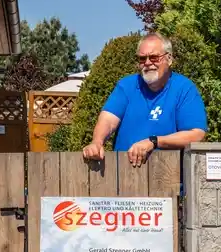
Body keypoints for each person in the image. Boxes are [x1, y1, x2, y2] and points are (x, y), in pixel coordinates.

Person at [82, 32, 207, 167]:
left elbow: (196, 134)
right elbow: (108, 120)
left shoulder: (184, 88)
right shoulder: (126, 86)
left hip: (168, 178)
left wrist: (154, 141)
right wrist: (97, 142)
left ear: (169, 59)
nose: (147, 63)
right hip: (124, 175)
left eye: (154, 57)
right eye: (142, 59)